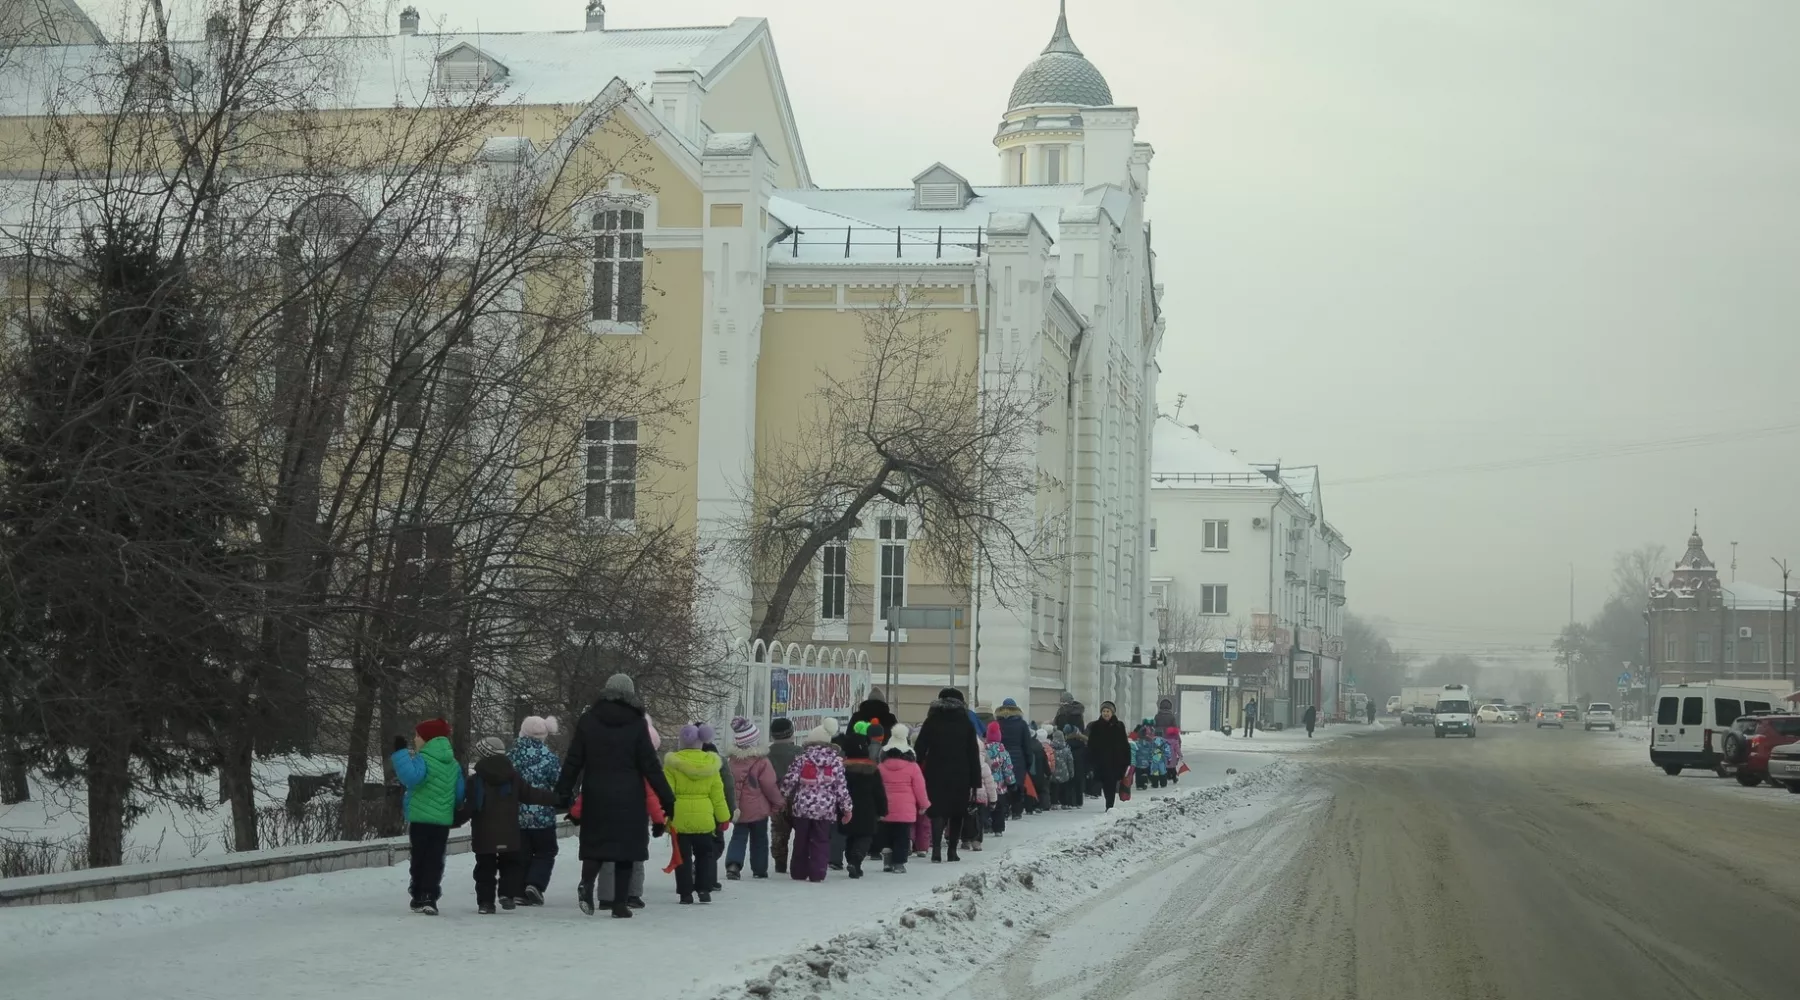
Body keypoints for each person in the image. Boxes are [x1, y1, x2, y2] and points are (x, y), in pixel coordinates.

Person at [554, 673, 675, 919]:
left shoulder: (588, 721)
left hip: (596, 793)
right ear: (630, 695)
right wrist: (667, 799)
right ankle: (620, 904)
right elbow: (650, 766)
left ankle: (587, 883)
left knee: (595, 846)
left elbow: (574, 760)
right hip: (630, 796)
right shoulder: (638, 723)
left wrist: (562, 792)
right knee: (626, 851)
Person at [461, 736, 558, 914]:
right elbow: (532, 795)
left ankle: (486, 903)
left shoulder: (475, 781)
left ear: (483, 755)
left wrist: (452, 821)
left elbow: (470, 807)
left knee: (485, 869)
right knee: (512, 864)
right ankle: (506, 894)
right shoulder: (513, 778)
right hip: (509, 832)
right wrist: (557, 799)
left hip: (484, 833)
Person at [392, 718, 463, 915]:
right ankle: (430, 895)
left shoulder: (423, 760)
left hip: (421, 819)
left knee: (419, 857)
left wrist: (400, 753)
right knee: (435, 858)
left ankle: (417, 894)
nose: (415, 739)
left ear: (427, 739)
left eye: (417, 736)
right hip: (441, 821)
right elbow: (459, 793)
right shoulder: (454, 764)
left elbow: (410, 778)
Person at [913, 687, 982, 863]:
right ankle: (952, 851)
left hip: (935, 772)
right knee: (957, 812)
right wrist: (975, 782)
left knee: (937, 812)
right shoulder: (966, 723)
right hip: (961, 773)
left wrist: (916, 769)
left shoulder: (931, 721)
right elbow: (973, 754)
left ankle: (936, 851)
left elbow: (920, 748)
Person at [664, 723, 730, 904]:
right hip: (704, 819)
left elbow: (666, 794)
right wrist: (723, 818)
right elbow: (718, 795)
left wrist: (663, 818)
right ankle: (704, 890)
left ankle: (685, 894)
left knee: (682, 857)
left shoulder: (672, 764)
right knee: (705, 856)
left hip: (680, 818)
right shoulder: (711, 764)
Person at [782, 720, 851, 882]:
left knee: (801, 840)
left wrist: (782, 796)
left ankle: (798, 872)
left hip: (802, 808)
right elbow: (841, 787)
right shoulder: (835, 762)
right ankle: (817, 872)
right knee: (821, 841)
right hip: (825, 810)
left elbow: (789, 780)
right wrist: (847, 808)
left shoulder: (802, 759)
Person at [507, 715, 561, 905]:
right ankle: (535, 884)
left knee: (521, 852)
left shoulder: (512, 756)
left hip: (517, 814)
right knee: (546, 850)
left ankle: (519, 891)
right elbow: (558, 783)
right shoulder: (550, 758)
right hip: (543, 814)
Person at [724, 716, 784, 881]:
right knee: (760, 838)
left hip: (738, 809)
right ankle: (759, 868)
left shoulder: (732, 761)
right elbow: (769, 785)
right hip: (758, 809)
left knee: (738, 836)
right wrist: (778, 802)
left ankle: (733, 865)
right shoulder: (762, 761)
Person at [837, 722, 889, 878]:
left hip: (847, 809)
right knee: (865, 836)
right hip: (868, 810)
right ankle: (856, 858)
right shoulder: (872, 769)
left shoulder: (842, 769)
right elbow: (879, 792)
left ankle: (851, 859)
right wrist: (882, 810)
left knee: (851, 836)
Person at [877, 725, 929, 872]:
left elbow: (876, 787)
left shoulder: (881, 767)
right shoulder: (913, 767)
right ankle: (899, 863)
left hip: (885, 807)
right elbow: (920, 788)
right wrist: (924, 804)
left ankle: (887, 862)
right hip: (905, 809)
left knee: (886, 835)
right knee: (902, 836)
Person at [766, 718, 801, 875]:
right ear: (792, 733)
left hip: (776, 798)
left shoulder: (767, 754)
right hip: (798, 798)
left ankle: (780, 862)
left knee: (779, 832)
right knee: (801, 831)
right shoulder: (800, 752)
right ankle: (798, 860)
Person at [1085, 702, 1130, 811]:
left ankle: (1109, 805)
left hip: (1115, 761)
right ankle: (1108, 803)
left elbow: (1125, 744)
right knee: (1105, 784)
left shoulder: (1119, 725)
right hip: (1100, 761)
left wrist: (1126, 760)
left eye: (1108, 711)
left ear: (1112, 713)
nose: (1105, 714)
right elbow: (1091, 744)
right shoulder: (1095, 726)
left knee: (1111, 783)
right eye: (1104, 711)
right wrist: (1091, 761)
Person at [994, 698, 1031, 819]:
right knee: (1017, 785)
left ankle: (1004, 810)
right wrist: (1028, 762)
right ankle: (1016, 811)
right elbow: (1027, 744)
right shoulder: (1022, 724)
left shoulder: (998, 723)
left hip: (1001, 756)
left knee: (1003, 784)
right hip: (1018, 758)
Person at [983, 721, 1016, 836]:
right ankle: (998, 829)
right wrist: (1011, 782)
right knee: (999, 809)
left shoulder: (983, 750)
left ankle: (986, 826)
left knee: (986, 808)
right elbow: (1008, 769)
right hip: (1000, 787)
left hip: (986, 786)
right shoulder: (1003, 752)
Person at [1061, 724, 1090, 808]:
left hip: (1069, 767)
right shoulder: (1082, 744)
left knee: (1069, 785)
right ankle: (1079, 802)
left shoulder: (1066, 745)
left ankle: (1070, 802)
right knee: (1079, 784)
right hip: (1080, 767)